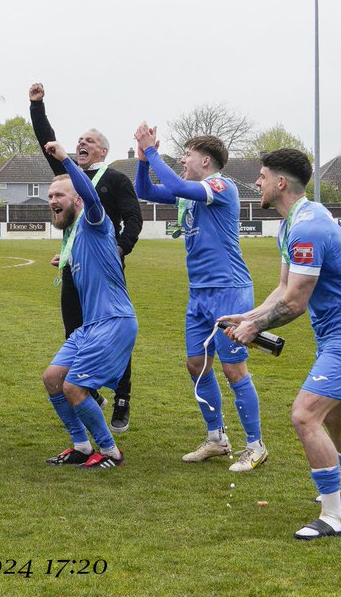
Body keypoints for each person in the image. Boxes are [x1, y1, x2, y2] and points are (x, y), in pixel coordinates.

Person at [220, 149, 341, 540]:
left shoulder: (307, 228)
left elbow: (295, 303)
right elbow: (282, 289)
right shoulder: (293, 223)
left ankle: (333, 517)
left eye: (260, 176)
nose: (255, 183)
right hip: (337, 335)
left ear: (279, 183)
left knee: (305, 415)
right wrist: (249, 317)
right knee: (334, 416)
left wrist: (254, 329)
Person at [134, 124, 268, 473]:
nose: (181, 159)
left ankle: (255, 445)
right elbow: (144, 190)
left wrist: (152, 151)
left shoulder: (219, 185)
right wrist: (141, 159)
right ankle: (217, 439)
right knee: (196, 364)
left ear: (205, 160)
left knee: (233, 369)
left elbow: (176, 185)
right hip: (200, 294)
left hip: (229, 291)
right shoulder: (193, 191)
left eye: (187, 154)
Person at [29, 84, 141, 432]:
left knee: (111, 332)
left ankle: (121, 397)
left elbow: (134, 218)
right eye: (79, 140)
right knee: (74, 332)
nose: (82, 144)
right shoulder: (67, 181)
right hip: (74, 268)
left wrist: (118, 249)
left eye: (89, 141)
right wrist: (37, 107)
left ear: (103, 150)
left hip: (106, 270)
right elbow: (49, 146)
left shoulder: (115, 179)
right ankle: (86, 390)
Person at [39, 141, 137, 469]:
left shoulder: (94, 221)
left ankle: (110, 452)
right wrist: (65, 261)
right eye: (50, 196)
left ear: (78, 199)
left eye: (59, 196)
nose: (53, 201)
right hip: (91, 326)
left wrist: (66, 160)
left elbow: (93, 199)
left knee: (74, 386)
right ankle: (81, 446)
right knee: (53, 378)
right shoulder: (76, 238)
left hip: (113, 322)